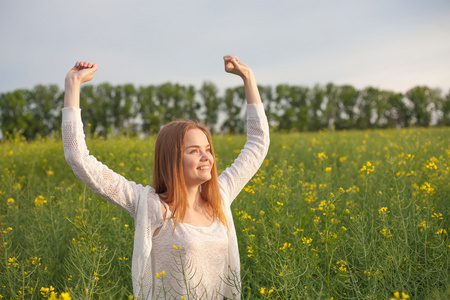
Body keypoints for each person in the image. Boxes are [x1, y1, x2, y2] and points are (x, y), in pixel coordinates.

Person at [62, 55, 270, 299]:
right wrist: (72, 86)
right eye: (194, 151)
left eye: (208, 149)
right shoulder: (150, 206)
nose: (206, 157)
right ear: (172, 159)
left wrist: (248, 78)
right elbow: (78, 158)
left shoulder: (219, 198)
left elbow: (258, 143)